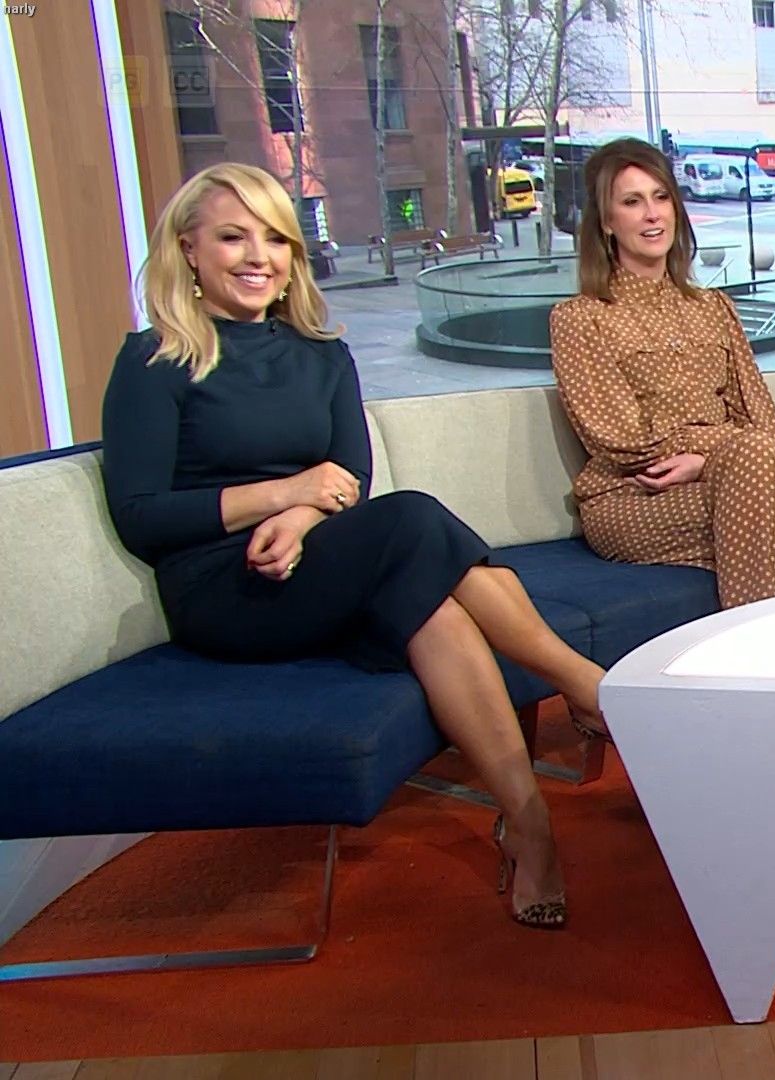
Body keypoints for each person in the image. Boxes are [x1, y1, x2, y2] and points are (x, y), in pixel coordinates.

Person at [100, 163, 605, 930]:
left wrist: (305, 515)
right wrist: (280, 497)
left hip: (319, 556)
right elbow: (140, 516)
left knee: (433, 607)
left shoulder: (321, 354)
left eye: (276, 238)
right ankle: (585, 684)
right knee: (414, 521)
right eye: (233, 237)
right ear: (188, 250)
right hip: (226, 586)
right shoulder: (153, 360)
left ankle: (528, 824)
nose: (258, 256)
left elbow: (350, 480)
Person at [548, 138, 775, 609]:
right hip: (635, 497)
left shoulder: (714, 307)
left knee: (758, 473)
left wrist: (706, 461)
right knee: (770, 488)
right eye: (632, 202)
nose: (652, 214)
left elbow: (762, 421)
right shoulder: (581, 319)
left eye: (661, 197)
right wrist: (718, 452)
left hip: (733, 478)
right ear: (606, 222)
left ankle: (765, 647)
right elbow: (624, 442)